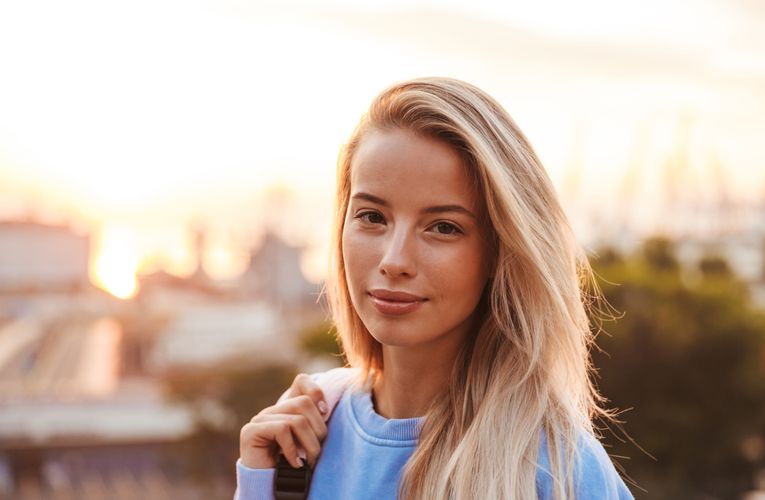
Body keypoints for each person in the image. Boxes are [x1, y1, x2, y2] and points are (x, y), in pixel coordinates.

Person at [235, 77, 634, 499]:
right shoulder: (304, 434)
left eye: (443, 227)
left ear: (501, 253)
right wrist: (261, 485)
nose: (394, 260)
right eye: (372, 217)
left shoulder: (555, 468)